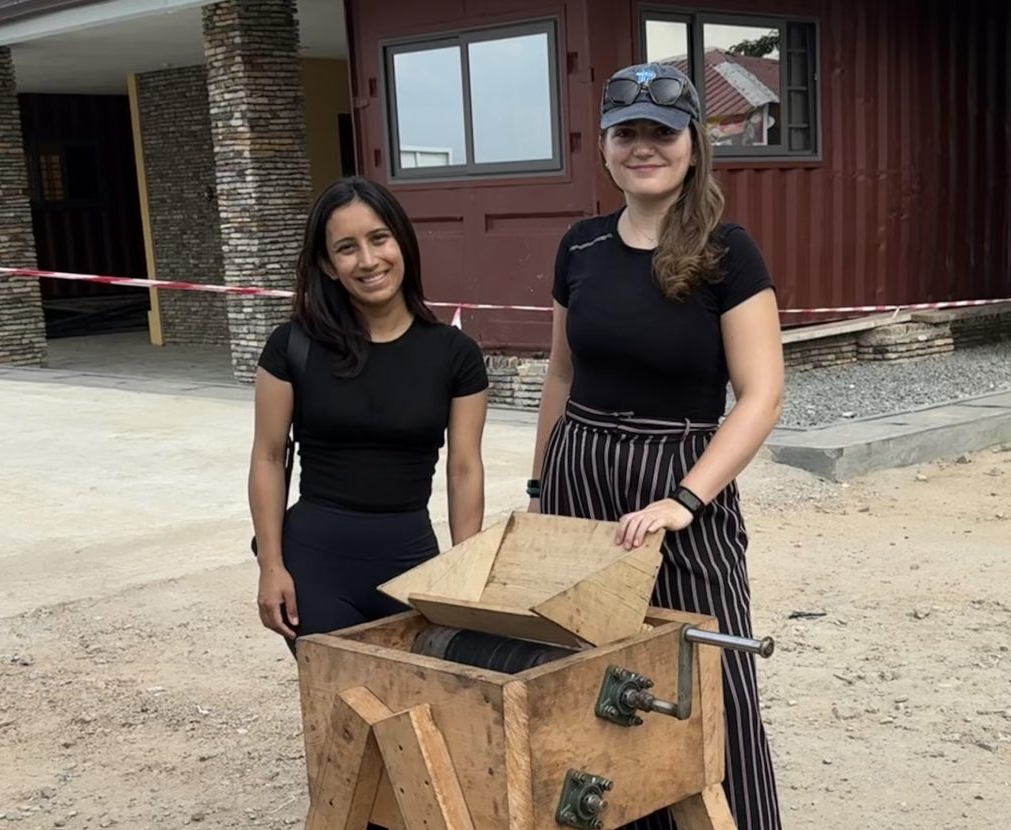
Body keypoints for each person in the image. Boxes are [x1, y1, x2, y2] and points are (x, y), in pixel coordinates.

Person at [528, 62, 784, 830]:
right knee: (593, 673)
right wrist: (541, 494)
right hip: (580, 480)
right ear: (604, 146)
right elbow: (560, 377)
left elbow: (762, 395)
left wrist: (684, 500)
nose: (644, 147)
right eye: (627, 132)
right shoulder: (579, 248)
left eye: (661, 133)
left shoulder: (728, 252)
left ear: (693, 144)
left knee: (708, 671)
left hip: (679, 485)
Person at [249, 176, 488, 651]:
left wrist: (465, 570)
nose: (368, 260)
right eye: (346, 248)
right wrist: (271, 566)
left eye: (379, 238)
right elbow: (268, 457)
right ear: (329, 265)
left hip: (411, 564)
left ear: (401, 240)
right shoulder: (291, 346)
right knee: (340, 711)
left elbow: (464, 470)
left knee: (420, 710)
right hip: (314, 567)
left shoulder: (455, 354)